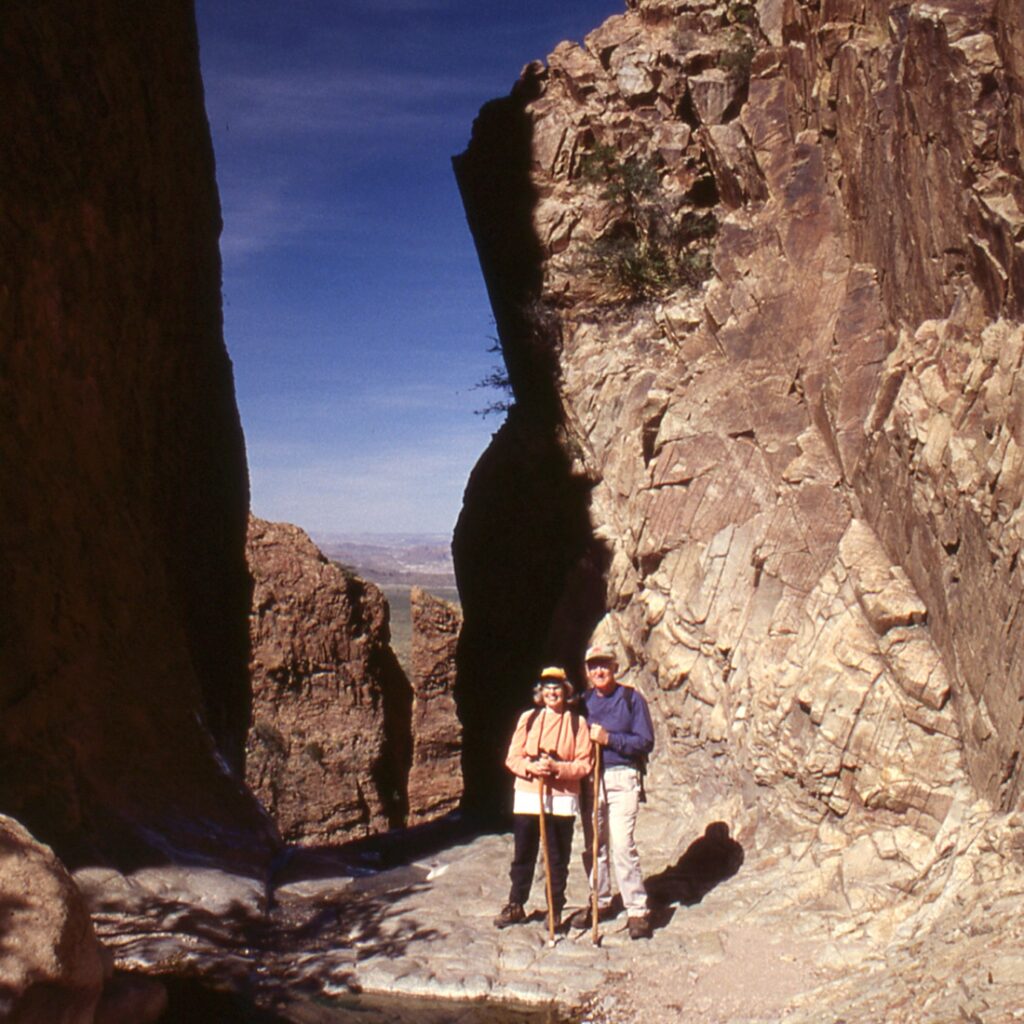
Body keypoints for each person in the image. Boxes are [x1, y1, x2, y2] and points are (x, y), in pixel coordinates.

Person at [494, 666, 593, 929]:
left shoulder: (577, 723)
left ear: (566, 691)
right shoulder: (528, 719)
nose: (552, 692)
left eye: (557, 687)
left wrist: (558, 769)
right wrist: (531, 767)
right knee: (524, 852)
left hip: (562, 799)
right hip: (529, 795)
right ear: (540, 692)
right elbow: (512, 758)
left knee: (557, 856)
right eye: (547, 687)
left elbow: (585, 764)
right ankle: (516, 904)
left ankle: (555, 908)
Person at [571, 644, 655, 940]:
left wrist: (609, 739)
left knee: (621, 844)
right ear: (587, 671)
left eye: (604, 664)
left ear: (615, 667)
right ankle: (601, 900)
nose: (599, 670)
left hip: (622, 777)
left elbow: (644, 741)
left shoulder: (631, 699)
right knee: (595, 845)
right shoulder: (582, 701)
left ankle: (636, 909)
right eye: (593, 666)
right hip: (591, 780)